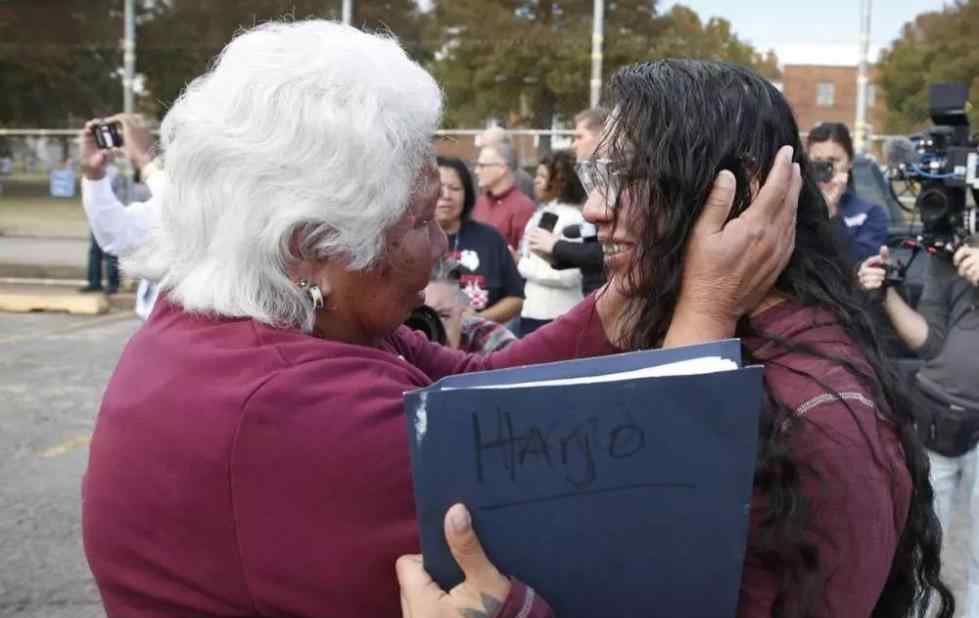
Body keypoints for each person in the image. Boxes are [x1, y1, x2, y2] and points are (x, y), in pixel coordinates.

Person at [81, 23, 799, 618]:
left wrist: (635, 284)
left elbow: (479, 385)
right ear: (311, 249)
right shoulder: (296, 412)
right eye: (420, 221)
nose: (442, 244)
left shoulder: (268, 314)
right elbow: (648, 552)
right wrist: (706, 307)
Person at [398, 59, 952, 618]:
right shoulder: (682, 318)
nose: (594, 208)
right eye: (596, 176)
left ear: (742, 195)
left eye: (627, 176)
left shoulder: (820, 415)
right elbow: (478, 382)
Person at [858, 241, 979, 615]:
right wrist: (886, 293)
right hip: (936, 419)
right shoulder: (946, 259)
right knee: (924, 545)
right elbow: (929, 342)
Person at [79, 113, 163, 319]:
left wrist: (147, 161)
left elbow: (189, 214)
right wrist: (94, 175)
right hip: (153, 326)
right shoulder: (171, 201)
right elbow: (116, 234)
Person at [524, 108, 608, 295]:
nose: (573, 145)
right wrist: (553, 257)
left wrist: (557, 246)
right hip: (593, 295)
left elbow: (608, 252)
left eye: (580, 137)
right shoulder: (597, 182)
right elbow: (591, 250)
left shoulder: (619, 183)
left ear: (603, 136)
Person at [436, 156, 524, 324]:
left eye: (455, 188)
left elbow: (516, 298)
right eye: (439, 188)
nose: (446, 195)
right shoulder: (408, 240)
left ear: (467, 193)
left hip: (480, 342)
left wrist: (475, 321)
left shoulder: (490, 238)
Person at [517, 150, 587, 336]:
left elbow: (571, 275)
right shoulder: (541, 213)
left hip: (557, 316)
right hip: (532, 312)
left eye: (542, 176)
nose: (536, 181)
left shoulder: (572, 218)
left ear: (560, 181)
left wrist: (520, 264)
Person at [806, 122, 889, 263]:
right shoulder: (794, 206)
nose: (825, 168)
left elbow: (860, 264)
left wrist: (831, 209)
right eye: (817, 161)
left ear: (850, 162)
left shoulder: (870, 213)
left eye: (833, 160)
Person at [424, 257, 517, 354]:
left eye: (443, 316)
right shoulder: (407, 349)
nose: (431, 330)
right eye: (419, 318)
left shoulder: (491, 341)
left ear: (463, 311)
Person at [472, 140, 536, 251]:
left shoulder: (523, 208)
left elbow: (527, 256)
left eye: (482, 166)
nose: (476, 171)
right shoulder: (479, 203)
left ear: (502, 168)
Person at [476, 126, 536, 199]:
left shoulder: (522, 181)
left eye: (486, 147)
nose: (482, 152)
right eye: (481, 147)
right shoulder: (482, 177)